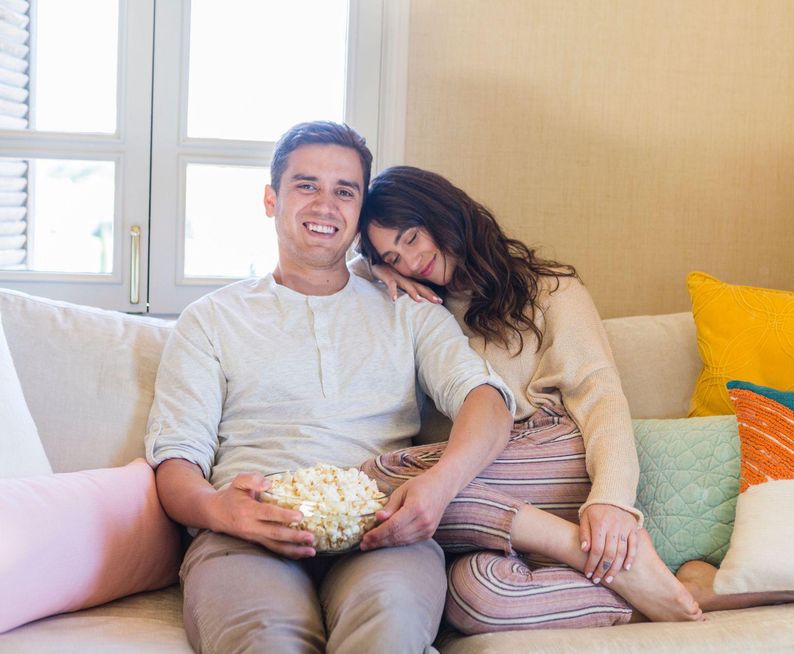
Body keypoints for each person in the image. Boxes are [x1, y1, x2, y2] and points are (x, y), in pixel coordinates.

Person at [354, 166, 794, 634]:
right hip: (487, 494)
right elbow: (330, 275)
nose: (411, 262)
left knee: (375, 481)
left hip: (554, 458)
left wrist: (612, 500)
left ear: (444, 214)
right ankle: (678, 590)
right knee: (476, 597)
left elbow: (601, 396)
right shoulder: (414, 305)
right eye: (393, 257)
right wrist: (370, 269)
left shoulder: (549, 289)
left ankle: (597, 549)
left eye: (412, 239)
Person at [144, 122, 518, 654]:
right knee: (266, 643)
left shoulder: (410, 310)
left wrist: (439, 485)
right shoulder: (210, 319)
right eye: (306, 185)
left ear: (360, 213)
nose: (325, 205)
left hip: (382, 532)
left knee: (388, 631)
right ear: (271, 200)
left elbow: (487, 402)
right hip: (248, 536)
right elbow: (176, 461)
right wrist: (221, 510)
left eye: (344, 191)